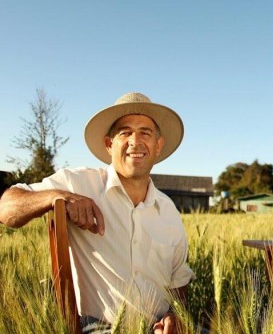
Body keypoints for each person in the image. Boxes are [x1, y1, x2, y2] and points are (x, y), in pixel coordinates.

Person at [0, 93, 195, 334]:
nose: (135, 141)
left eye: (145, 132)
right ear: (108, 144)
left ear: (158, 145)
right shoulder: (77, 183)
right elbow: (6, 208)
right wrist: (57, 197)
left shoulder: (169, 212)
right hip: (100, 328)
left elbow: (179, 286)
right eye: (125, 132)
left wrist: (174, 316)